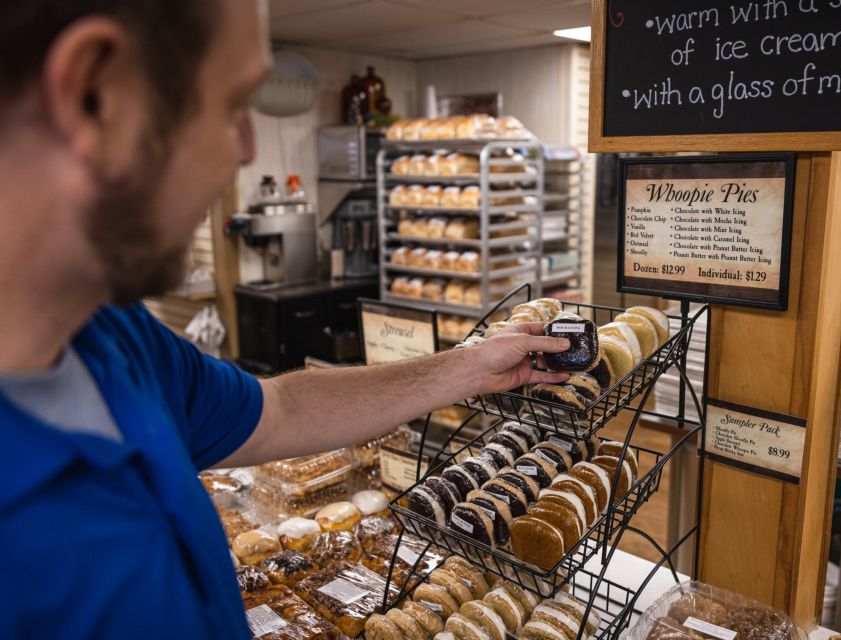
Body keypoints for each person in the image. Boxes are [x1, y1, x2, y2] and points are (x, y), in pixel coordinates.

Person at [0, 1, 570, 637]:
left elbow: (282, 410)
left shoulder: (113, 342)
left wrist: (468, 367)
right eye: (230, 105)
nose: (245, 149)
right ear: (92, 92)